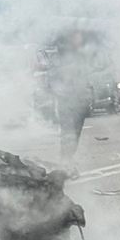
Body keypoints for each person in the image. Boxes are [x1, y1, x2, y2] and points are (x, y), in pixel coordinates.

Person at [45, 28, 96, 165]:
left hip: (80, 99)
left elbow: (87, 76)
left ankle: (69, 157)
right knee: (68, 131)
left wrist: (89, 94)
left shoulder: (82, 55)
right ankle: (65, 158)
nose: (78, 40)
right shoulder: (61, 56)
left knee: (76, 130)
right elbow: (52, 77)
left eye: (79, 37)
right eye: (76, 37)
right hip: (66, 99)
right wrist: (59, 92)